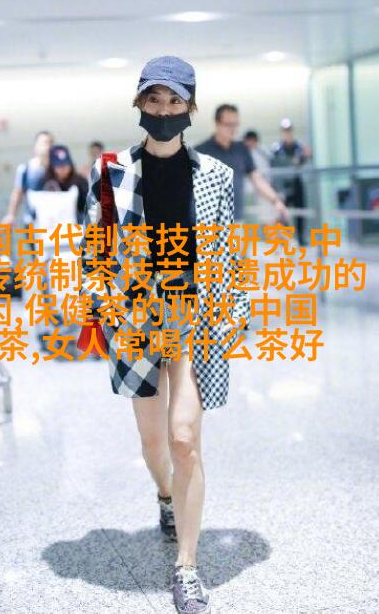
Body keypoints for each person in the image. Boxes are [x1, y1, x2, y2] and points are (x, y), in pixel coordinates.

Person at [79, 55, 252, 614]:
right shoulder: (109, 172)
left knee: (184, 439)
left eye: (174, 100)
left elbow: (226, 249)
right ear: (139, 104)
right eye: (153, 99)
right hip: (135, 318)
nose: (163, 110)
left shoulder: (216, 175)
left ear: (190, 107)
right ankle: (164, 495)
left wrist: (236, 310)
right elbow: (93, 251)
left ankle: (187, 568)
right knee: (154, 444)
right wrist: (103, 306)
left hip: (191, 316)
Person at [195, 105, 289, 227]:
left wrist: (276, 201)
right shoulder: (200, 152)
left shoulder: (241, 149)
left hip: (236, 219)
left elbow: (257, 179)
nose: (233, 129)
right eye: (229, 124)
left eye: (236, 124)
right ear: (217, 123)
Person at [270, 118, 311, 246]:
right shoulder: (276, 148)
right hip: (283, 185)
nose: (287, 133)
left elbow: (304, 160)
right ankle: (285, 239)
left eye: (289, 130)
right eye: (285, 130)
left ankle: (301, 238)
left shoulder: (299, 147)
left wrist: (304, 157)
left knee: (300, 212)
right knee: (283, 213)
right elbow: (274, 164)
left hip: (296, 182)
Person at [2, 130, 54, 225]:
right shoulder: (25, 169)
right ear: (35, 147)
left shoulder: (59, 169)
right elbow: (18, 192)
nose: (47, 147)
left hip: (55, 221)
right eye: (44, 143)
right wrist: (11, 215)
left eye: (50, 143)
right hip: (33, 222)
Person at [243, 129, 276, 227]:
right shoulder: (242, 153)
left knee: (267, 217)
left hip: (263, 190)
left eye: (252, 141)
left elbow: (265, 174)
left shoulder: (262, 152)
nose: (250, 143)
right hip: (247, 191)